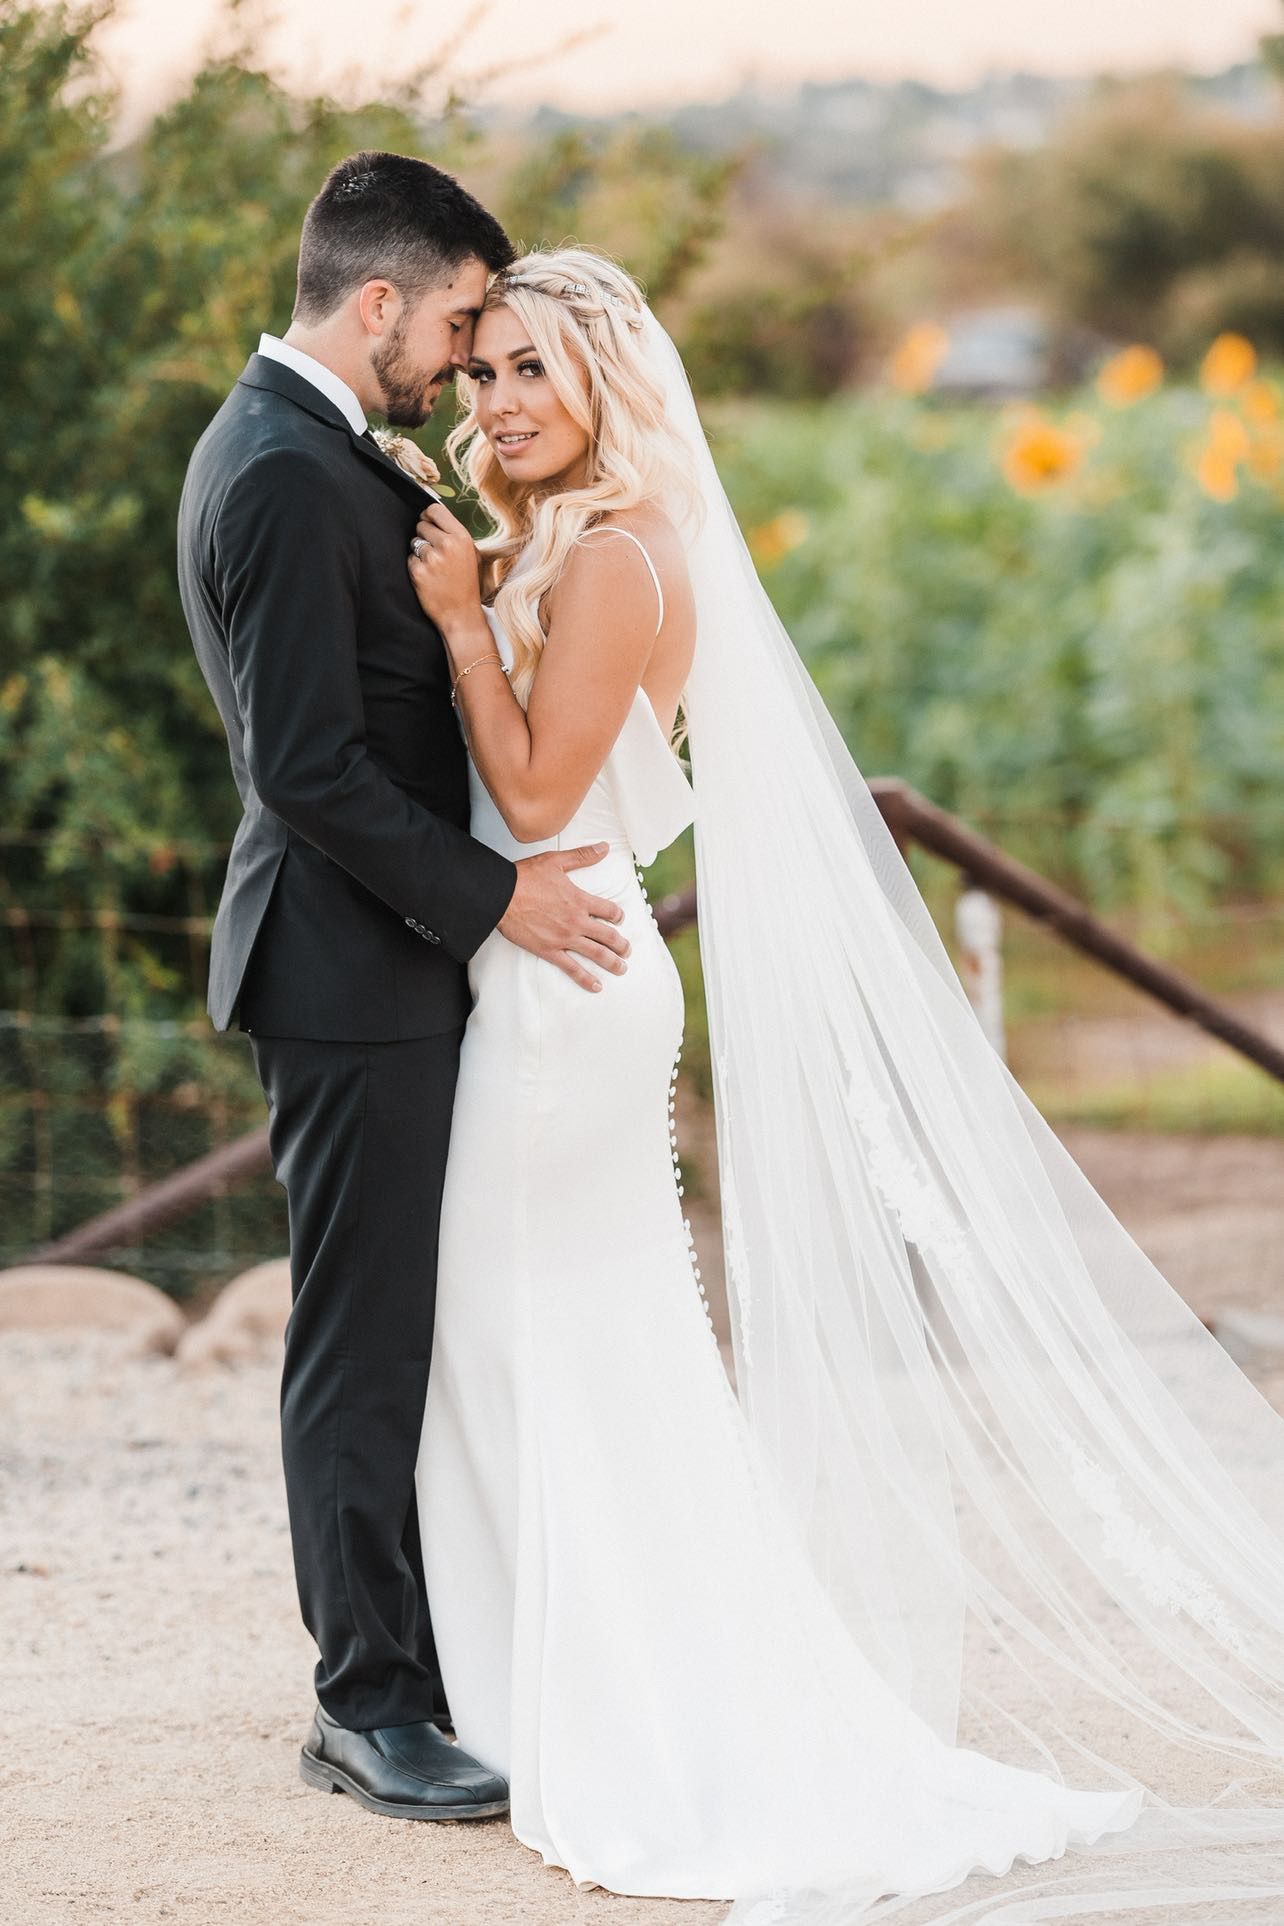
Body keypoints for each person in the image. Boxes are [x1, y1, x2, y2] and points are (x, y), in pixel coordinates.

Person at [407, 246, 1284, 1922]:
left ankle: (608, 1703)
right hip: (551, 963)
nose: (500, 403)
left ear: (605, 378)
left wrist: (459, 622)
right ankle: (553, 1681)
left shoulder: (612, 561)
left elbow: (534, 803)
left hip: (560, 967)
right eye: (483, 375)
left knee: (540, 1333)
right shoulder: (580, 542)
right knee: (564, 1337)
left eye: (531, 370)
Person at [177, 156, 635, 1825]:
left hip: (381, 962)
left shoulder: (302, 446)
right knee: (359, 1346)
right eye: (454, 321)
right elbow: (302, 766)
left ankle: (427, 1661)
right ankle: (365, 1704)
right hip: (352, 967)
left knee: (401, 1334)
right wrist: (497, 894)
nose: (458, 359)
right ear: (380, 300)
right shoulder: (286, 474)